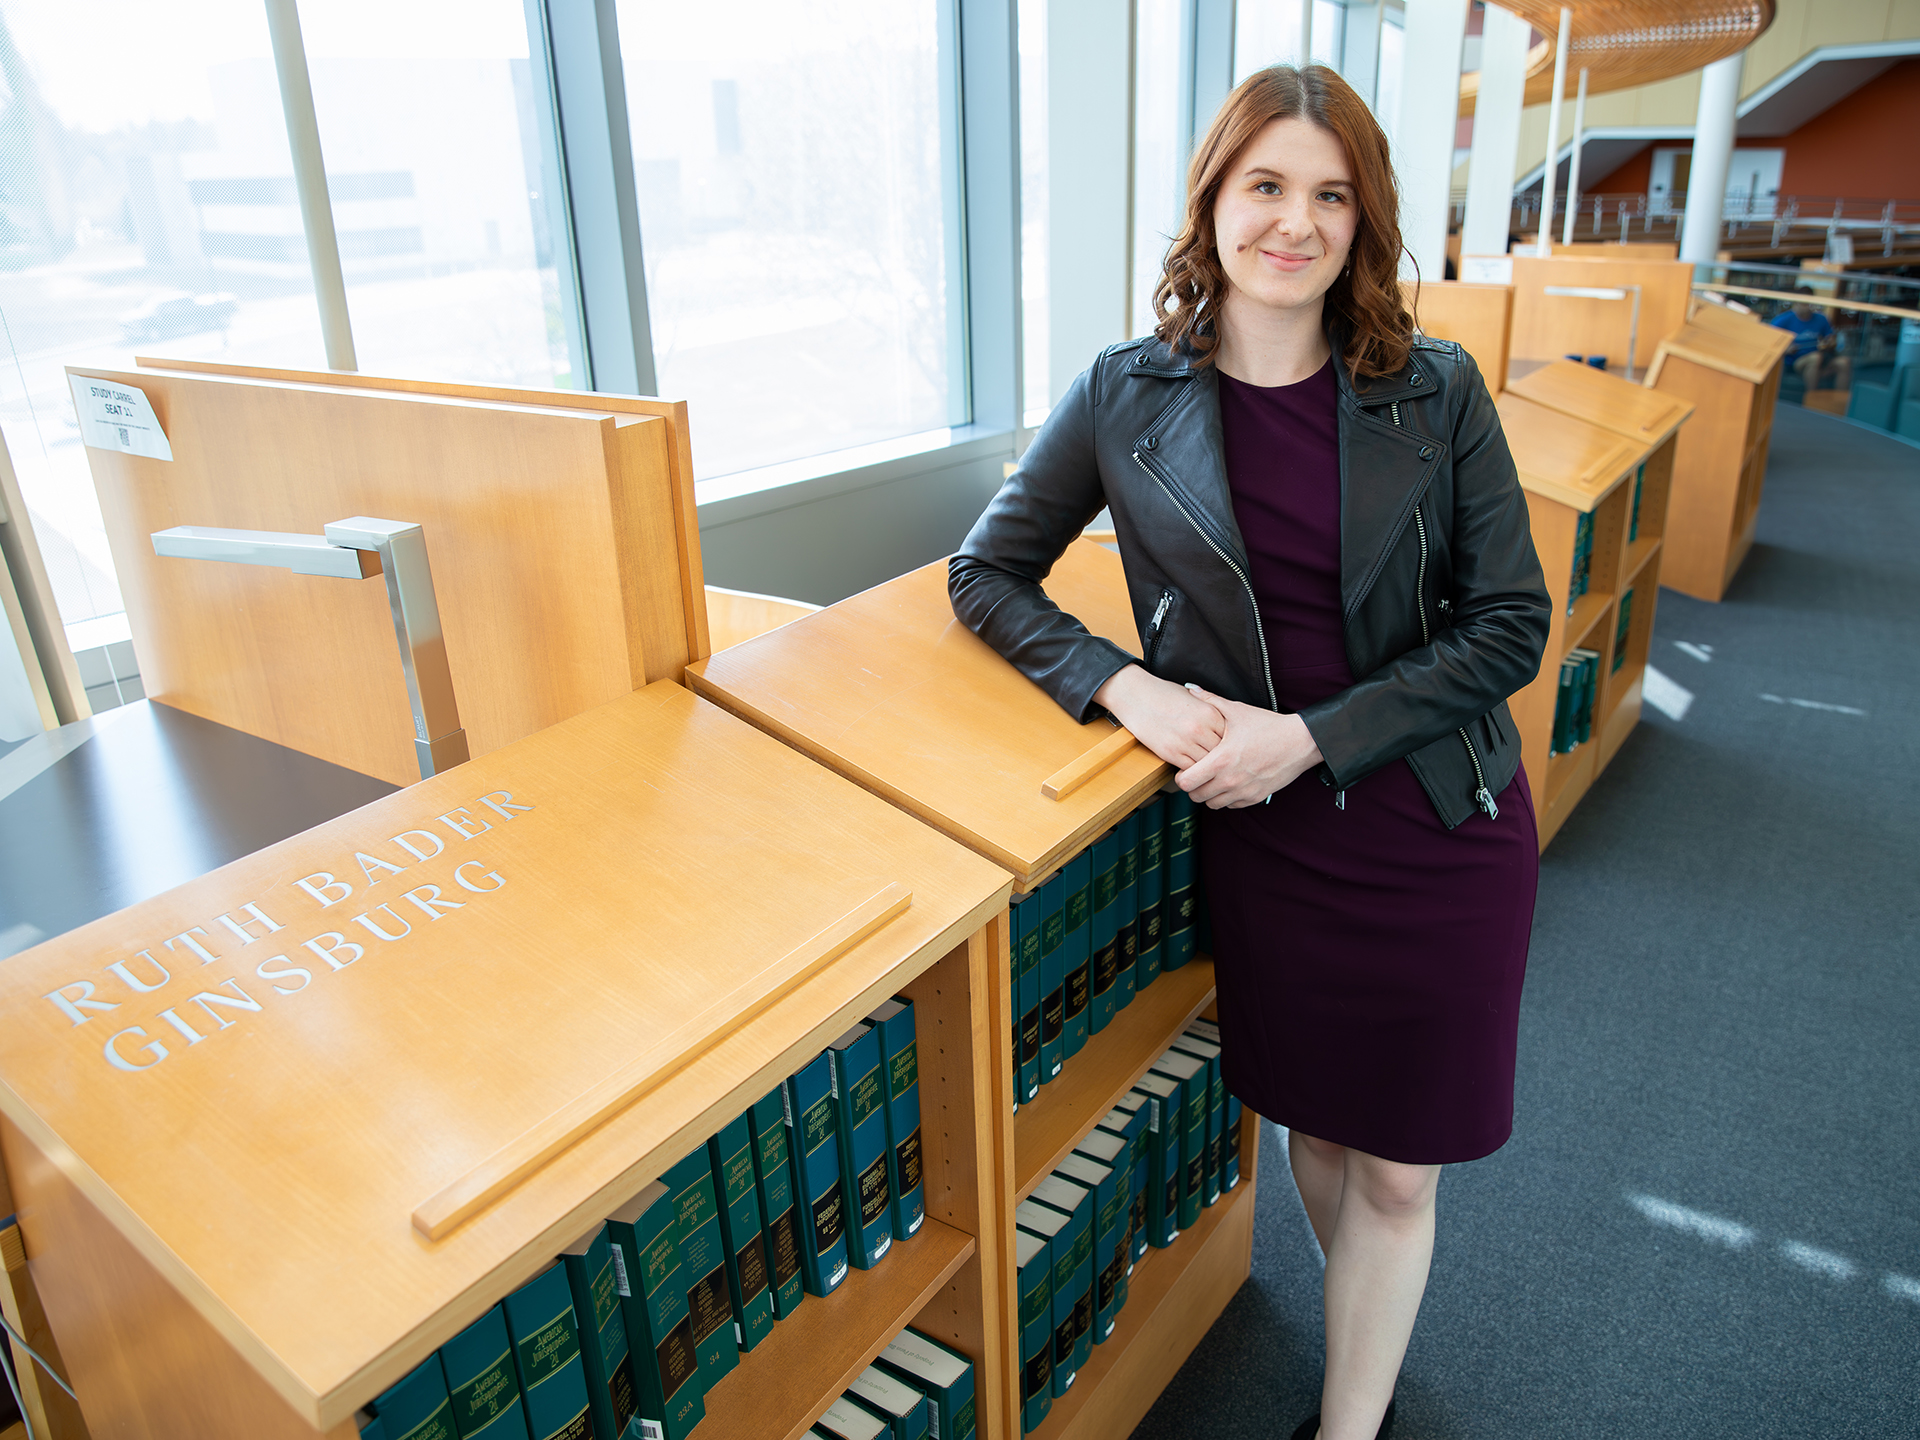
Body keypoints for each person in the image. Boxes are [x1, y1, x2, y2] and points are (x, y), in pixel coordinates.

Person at [949, 65, 1550, 1440]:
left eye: (1331, 195)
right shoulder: (1123, 394)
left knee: (1400, 1172)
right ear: (1214, 199)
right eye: (1266, 186)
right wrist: (1122, 688)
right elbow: (988, 575)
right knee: (1321, 1131)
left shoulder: (1434, 390)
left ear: (1364, 221)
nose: (1296, 222)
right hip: (1271, 847)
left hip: (1436, 823)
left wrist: (1313, 738)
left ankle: (1349, 1425)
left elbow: (1511, 622)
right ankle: (1367, 1351)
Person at [1771, 286, 1851, 393]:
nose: (1807, 307)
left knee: (1844, 362)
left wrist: (1828, 343)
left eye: (1809, 303)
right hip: (1796, 361)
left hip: (1822, 358)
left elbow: (1832, 339)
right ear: (1796, 302)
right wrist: (1785, 348)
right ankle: (1812, 396)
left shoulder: (1821, 319)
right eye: (1804, 303)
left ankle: (1839, 400)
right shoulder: (1783, 320)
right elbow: (1768, 341)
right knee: (1815, 358)